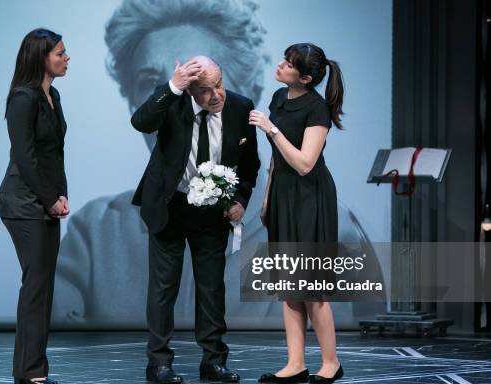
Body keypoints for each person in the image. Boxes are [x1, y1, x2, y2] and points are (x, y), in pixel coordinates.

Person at [52, 0, 385, 331]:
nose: (187, 98)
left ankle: (215, 359)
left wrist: (241, 200)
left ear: (237, 87)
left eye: (201, 83)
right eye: (156, 82)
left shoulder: (324, 224)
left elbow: (349, 325)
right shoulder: (95, 233)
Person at [132, 56, 260, 384]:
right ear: (191, 91)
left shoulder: (240, 107)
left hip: (213, 211)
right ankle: (158, 362)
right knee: (163, 289)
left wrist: (241, 200)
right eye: (205, 90)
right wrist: (173, 86)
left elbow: (250, 165)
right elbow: (141, 121)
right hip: (170, 205)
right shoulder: (173, 102)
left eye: (219, 84)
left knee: (211, 289)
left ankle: (213, 361)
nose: (216, 94)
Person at [249, 43, 345, 384]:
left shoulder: (317, 108)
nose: (280, 65)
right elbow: (277, 158)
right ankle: (295, 362)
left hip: (310, 198)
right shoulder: (279, 98)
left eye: (288, 64)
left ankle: (330, 362)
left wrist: (271, 129)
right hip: (284, 195)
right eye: (283, 59)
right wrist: (266, 197)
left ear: (305, 77)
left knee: (312, 287)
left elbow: (305, 163)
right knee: (289, 285)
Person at [0, 28, 70, 384]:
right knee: (36, 286)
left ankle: (30, 367)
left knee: (41, 287)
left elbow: (53, 155)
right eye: (60, 53)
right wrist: (49, 198)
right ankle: (29, 369)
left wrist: (61, 195)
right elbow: (25, 157)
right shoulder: (23, 98)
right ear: (41, 57)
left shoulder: (52, 95)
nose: (66, 57)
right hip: (23, 203)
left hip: (45, 203)